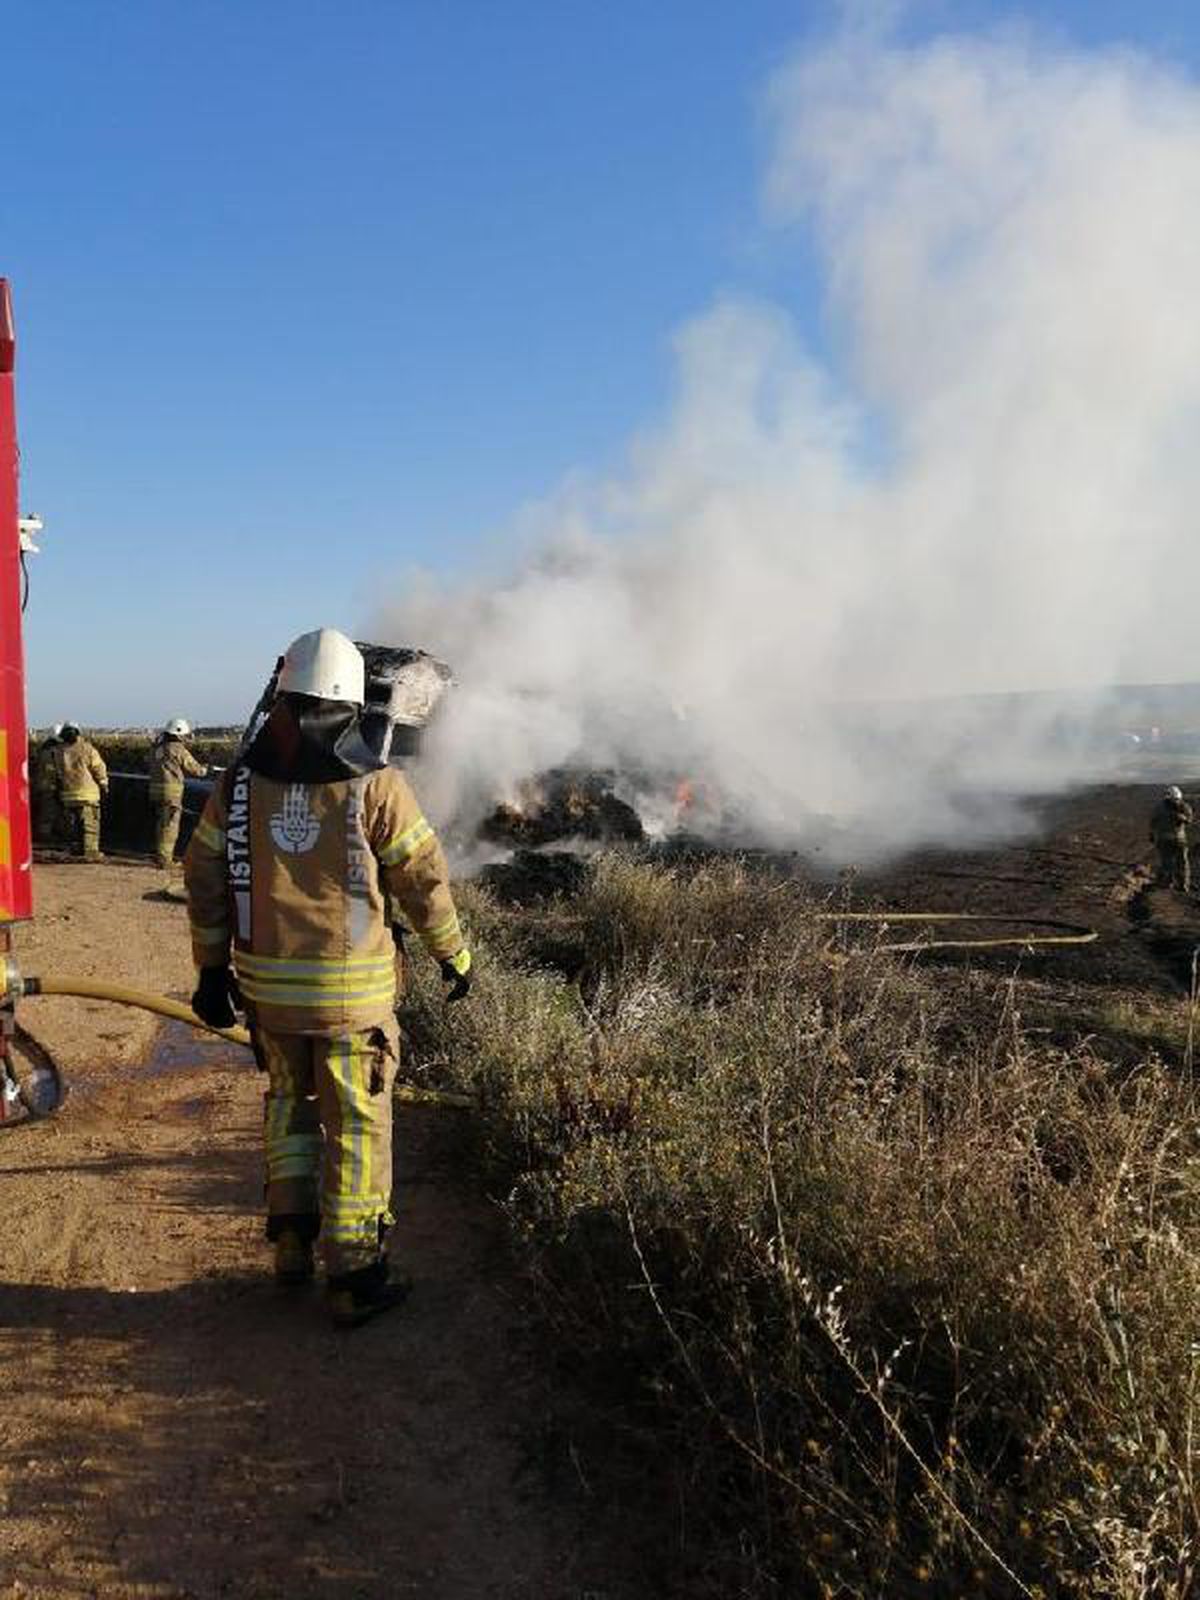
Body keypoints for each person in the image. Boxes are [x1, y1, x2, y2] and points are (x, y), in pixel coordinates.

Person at [183, 627, 472, 1328]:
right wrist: (452, 955)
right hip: (353, 1004)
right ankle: (355, 1277)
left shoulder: (238, 785)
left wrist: (211, 968)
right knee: (357, 1129)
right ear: (352, 706)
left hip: (267, 999)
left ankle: (289, 1243)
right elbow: (424, 881)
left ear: (283, 700)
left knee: (288, 1106)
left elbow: (203, 872)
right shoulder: (378, 786)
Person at [149, 718, 207, 879]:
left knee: (161, 823)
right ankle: (165, 859)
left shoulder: (157, 748)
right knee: (170, 826)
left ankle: (160, 854)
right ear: (179, 733)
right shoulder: (178, 749)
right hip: (171, 793)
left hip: (155, 791)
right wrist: (205, 770)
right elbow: (194, 769)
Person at [52, 721, 108, 859]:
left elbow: (55, 773)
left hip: (68, 795)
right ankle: (91, 852)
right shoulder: (88, 749)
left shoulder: (58, 751)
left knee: (72, 825)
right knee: (89, 825)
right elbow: (98, 768)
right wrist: (103, 784)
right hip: (88, 795)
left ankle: (76, 848)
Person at [1150, 784, 1193, 892]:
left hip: (1171, 839)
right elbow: (1153, 822)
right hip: (1173, 839)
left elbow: (1153, 822)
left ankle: (1177, 884)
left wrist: (1182, 818)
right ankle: (1175, 883)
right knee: (1174, 862)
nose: (1175, 802)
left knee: (1174, 862)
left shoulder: (1161, 807)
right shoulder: (1181, 806)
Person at [32, 723, 64, 845]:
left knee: (46, 812)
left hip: (43, 785)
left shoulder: (43, 749)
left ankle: (46, 835)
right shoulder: (55, 751)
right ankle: (47, 837)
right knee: (49, 813)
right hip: (51, 786)